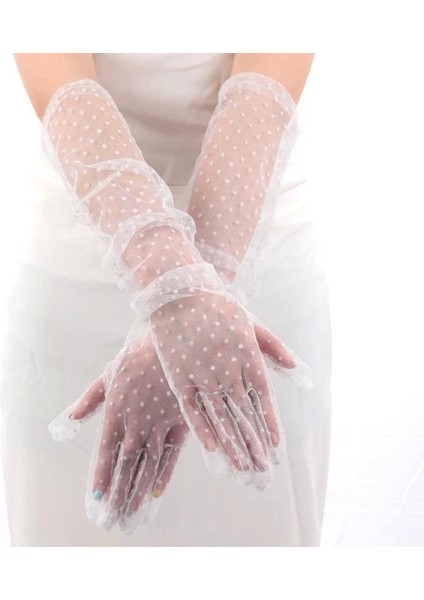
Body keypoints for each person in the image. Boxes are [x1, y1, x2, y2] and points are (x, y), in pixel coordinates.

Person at [0, 53, 332, 546]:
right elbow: (58, 76)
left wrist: (197, 298)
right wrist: (174, 286)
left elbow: (263, 85)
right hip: (80, 252)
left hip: (254, 247)